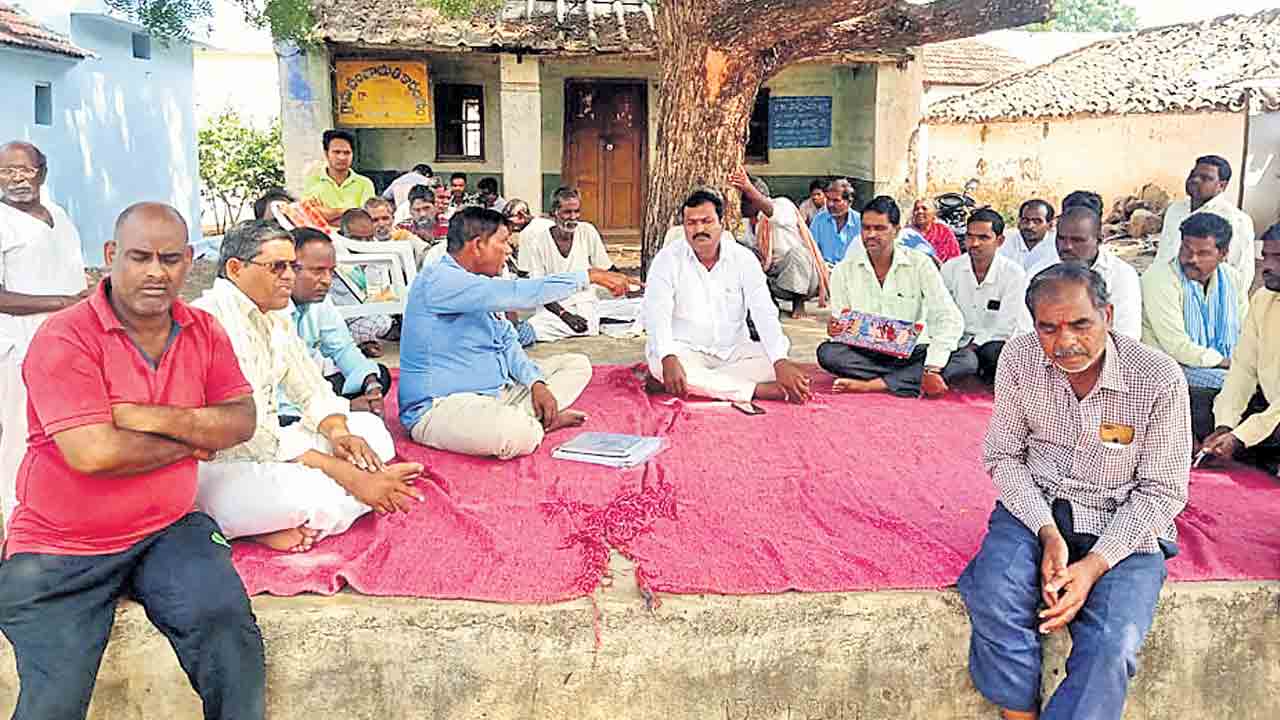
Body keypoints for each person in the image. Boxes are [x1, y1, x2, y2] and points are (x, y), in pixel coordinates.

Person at [0, 202, 265, 719]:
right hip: (62, 546)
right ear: (111, 255)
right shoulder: (65, 336)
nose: (155, 272)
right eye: (140, 257)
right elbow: (94, 453)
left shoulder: (203, 329)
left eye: (170, 259)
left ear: (190, 259)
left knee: (228, 632)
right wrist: (194, 438)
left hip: (166, 529)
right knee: (54, 701)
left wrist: (148, 417)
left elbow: (241, 419)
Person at [959, 262, 1190, 720]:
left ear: (1108, 315)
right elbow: (1004, 456)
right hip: (1038, 506)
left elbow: (1162, 491)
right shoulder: (1019, 358)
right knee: (994, 595)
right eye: (1048, 328)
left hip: (1123, 522)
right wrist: (1047, 531)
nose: (1065, 342)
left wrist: (1093, 567)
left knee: (1112, 644)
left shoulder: (1157, 378)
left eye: (1081, 324)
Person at [193, 220, 423, 553]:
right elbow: (252, 436)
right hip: (221, 465)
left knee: (372, 432)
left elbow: (310, 386)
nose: (289, 276)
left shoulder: (272, 316)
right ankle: (273, 520)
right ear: (235, 269)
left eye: (292, 266)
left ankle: (281, 520)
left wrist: (339, 433)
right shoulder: (210, 322)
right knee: (309, 493)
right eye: (278, 267)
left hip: (274, 447)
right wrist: (347, 474)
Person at [398, 207, 632, 459]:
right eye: (503, 242)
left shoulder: (481, 282)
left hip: (499, 393)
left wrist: (536, 383)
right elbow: (520, 292)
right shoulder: (439, 279)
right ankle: (533, 423)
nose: (509, 250)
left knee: (576, 365)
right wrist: (589, 276)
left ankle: (524, 417)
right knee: (517, 434)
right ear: (477, 246)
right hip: (441, 406)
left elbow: (508, 342)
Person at [643, 189, 813, 404]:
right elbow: (656, 314)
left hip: (734, 351)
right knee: (659, 363)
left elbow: (763, 311)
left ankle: (700, 384)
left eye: (706, 221)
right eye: (691, 223)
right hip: (685, 349)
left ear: (721, 223)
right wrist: (668, 356)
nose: (699, 229)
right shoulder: (667, 260)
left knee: (774, 360)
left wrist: (779, 360)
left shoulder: (743, 258)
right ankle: (755, 390)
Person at [0, 141, 89, 527]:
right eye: (6, 171)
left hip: (70, 345)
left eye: (25, 170)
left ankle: (63, 512)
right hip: (20, 347)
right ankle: (16, 517)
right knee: (20, 432)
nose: (16, 179)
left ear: (43, 173)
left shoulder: (59, 215)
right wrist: (64, 302)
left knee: (66, 428)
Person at [816, 196, 966, 398]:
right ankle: (906, 380)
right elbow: (842, 324)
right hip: (866, 353)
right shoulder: (843, 270)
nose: (871, 235)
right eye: (866, 228)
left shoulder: (920, 263)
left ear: (896, 230)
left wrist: (932, 366)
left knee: (965, 359)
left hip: (912, 350)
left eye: (880, 228)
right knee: (828, 353)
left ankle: (874, 384)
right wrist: (836, 329)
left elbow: (949, 317)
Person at [1141, 213, 1248, 419]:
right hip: (1171, 368)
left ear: (1223, 254)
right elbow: (1177, 346)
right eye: (1186, 250)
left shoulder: (1232, 278)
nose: (1191, 259)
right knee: (1237, 385)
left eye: (1203, 253)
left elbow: (1246, 328)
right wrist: (1228, 362)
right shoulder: (1160, 279)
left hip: (1222, 363)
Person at [1199, 224, 1280, 475]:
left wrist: (1241, 436)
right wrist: (1225, 425)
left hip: (1274, 417)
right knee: (1191, 402)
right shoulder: (1263, 299)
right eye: (1265, 256)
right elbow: (1243, 369)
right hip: (1268, 408)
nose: (1267, 266)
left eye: (1278, 258)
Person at [286, 228, 392, 419]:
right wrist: (345, 407)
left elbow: (343, 348)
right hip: (284, 399)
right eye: (318, 271)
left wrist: (371, 384)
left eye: (331, 271)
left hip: (313, 385)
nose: (327, 281)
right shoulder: (271, 307)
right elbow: (276, 385)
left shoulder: (319, 301)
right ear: (288, 268)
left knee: (379, 375)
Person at [1025, 206, 1142, 339]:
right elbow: (1026, 331)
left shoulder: (1121, 274)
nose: (1067, 247)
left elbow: (1127, 334)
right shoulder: (1038, 273)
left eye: (1077, 240)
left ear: (1100, 239)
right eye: (1061, 238)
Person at [941, 208, 1028, 383]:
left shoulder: (1013, 273)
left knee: (993, 354)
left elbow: (1006, 327)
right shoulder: (951, 268)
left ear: (1000, 241)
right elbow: (942, 312)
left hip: (994, 343)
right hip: (957, 342)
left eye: (983, 238)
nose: (974, 243)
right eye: (970, 237)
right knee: (962, 362)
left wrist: (972, 347)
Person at [518, 187, 615, 342]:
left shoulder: (587, 231)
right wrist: (565, 316)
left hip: (584, 302)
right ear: (554, 212)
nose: (573, 217)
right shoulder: (539, 242)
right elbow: (538, 288)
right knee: (535, 328)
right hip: (553, 307)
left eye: (577, 211)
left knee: (637, 308)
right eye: (567, 212)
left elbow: (607, 268)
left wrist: (631, 285)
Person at [729, 167, 828, 318]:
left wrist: (748, 187)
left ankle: (798, 303)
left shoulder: (781, 205)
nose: (741, 205)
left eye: (744, 200)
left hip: (804, 279)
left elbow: (770, 211)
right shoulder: (745, 223)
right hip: (774, 277)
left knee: (798, 253)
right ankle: (770, 302)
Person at [1157, 155, 1255, 283]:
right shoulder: (1175, 209)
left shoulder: (1236, 220)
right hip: (1164, 285)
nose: (1195, 180)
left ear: (1222, 186)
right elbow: (1163, 254)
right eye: (1193, 175)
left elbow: (1242, 272)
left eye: (1205, 178)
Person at [332, 208, 395, 357]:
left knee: (383, 321)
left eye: (368, 238)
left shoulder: (378, 250)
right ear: (343, 235)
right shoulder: (331, 252)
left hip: (371, 314)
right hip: (338, 321)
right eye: (357, 239)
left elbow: (383, 290)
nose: (364, 244)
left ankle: (364, 342)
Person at [302, 129, 376, 224]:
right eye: (336, 152)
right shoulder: (312, 181)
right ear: (326, 153)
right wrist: (349, 211)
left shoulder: (365, 184)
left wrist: (328, 215)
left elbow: (364, 219)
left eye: (347, 153)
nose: (342, 157)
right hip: (320, 233)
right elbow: (310, 215)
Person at [810, 178, 862, 265]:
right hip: (824, 269)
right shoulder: (819, 220)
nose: (830, 204)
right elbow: (811, 250)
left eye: (836, 200)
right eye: (828, 199)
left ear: (849, 202)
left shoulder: (859, 222)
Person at [999, 199, 1058, 270]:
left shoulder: (1057, 245)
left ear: (1050, 224)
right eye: (1025, 220)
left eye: (1037, 221)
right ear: (1019, 222)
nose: (1030, 226)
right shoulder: (1003, 241)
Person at [910, 198, 961, 263]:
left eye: (924, 208)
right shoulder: (907, 233)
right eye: (916, 209)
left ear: (933, 213)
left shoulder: (943, 231)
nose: (920, 211)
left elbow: (955, 257)